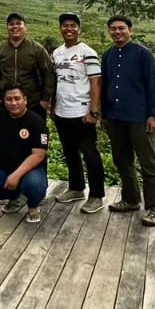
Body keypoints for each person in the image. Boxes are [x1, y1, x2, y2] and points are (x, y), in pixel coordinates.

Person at [102, 15, 155, 227]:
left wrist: (154, 114)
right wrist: (104, 115)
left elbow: (152, 85)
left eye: (121, 28)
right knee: (122, 160)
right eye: (113, 29)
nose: (117, 32)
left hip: (139, 117)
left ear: (130, 30)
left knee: (148, 162)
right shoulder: (108, 55)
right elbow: (105, 86)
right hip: (115, 117)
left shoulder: (143, 55)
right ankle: (130, 199)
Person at [52, 13, 105, 213]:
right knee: (70, 153)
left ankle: (97, 195)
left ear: (79, 29)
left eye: (73, 25)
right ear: (60, 29)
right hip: (62, 111)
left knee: (90, 154)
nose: (69, 29)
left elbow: (95, 82)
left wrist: (94, 111)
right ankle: (76, 188)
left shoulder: (87, 52)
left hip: (82, 112)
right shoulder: (57, 53)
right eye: (65, 25)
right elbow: (56, 81)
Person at [0, 85, 49, 223]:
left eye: (17, 98)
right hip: (3, 167)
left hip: (31, 170)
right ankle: (15, 196)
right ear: (4, 101)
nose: (13, 103)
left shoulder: (36, 121)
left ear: (25, 100)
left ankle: (33, 205)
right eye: (9, 99)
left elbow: (38, 155)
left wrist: (16, 175)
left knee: (34, 185)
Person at [0, 12, 56, 119]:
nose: (15, 27)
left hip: (34, 103)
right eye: (11, 24)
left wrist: (45, 100)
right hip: (8, 104)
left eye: (18, 23)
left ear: (25, 26)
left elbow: (48, 74)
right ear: (7, 27)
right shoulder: (0, 50)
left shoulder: (37, 49)